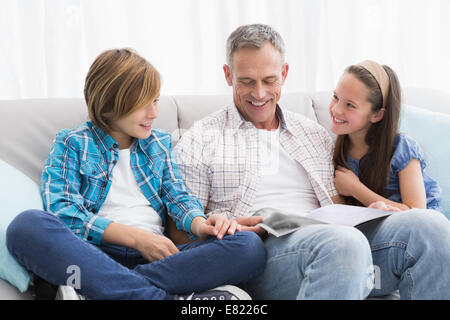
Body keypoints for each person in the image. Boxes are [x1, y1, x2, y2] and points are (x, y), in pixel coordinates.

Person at [173, 24, 450, 299]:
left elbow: (337, 207)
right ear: (228, 75)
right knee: (343, 242)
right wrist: (214, 225)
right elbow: (180, 234)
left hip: (338, 243)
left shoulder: (313, 133)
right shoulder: (201, 139)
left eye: (269, 80)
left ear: (284, 73)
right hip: (264, 256)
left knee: (430, 226)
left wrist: (371, 210)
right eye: (246, 81)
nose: (259, 94)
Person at [6, 48, 266, 300]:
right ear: (109, 104)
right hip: (92, 254)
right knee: (25, 227)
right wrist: (138, 238)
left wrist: (201, 224)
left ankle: (105, 289)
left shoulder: (158, 144)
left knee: (249, 248)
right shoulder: (72, 143)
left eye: (155, 100)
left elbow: (178, 197)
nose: (154, 113)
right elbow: (64, 213)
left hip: (159, 258)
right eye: (142, 104)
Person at [330, 60, 443, 213]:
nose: (336, 109)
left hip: (420, 228)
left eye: (350, 105)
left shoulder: (402, 148)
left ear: (377, 115)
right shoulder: (335, 149)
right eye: (336, 97)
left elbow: (417, 213)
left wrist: (355, 189)